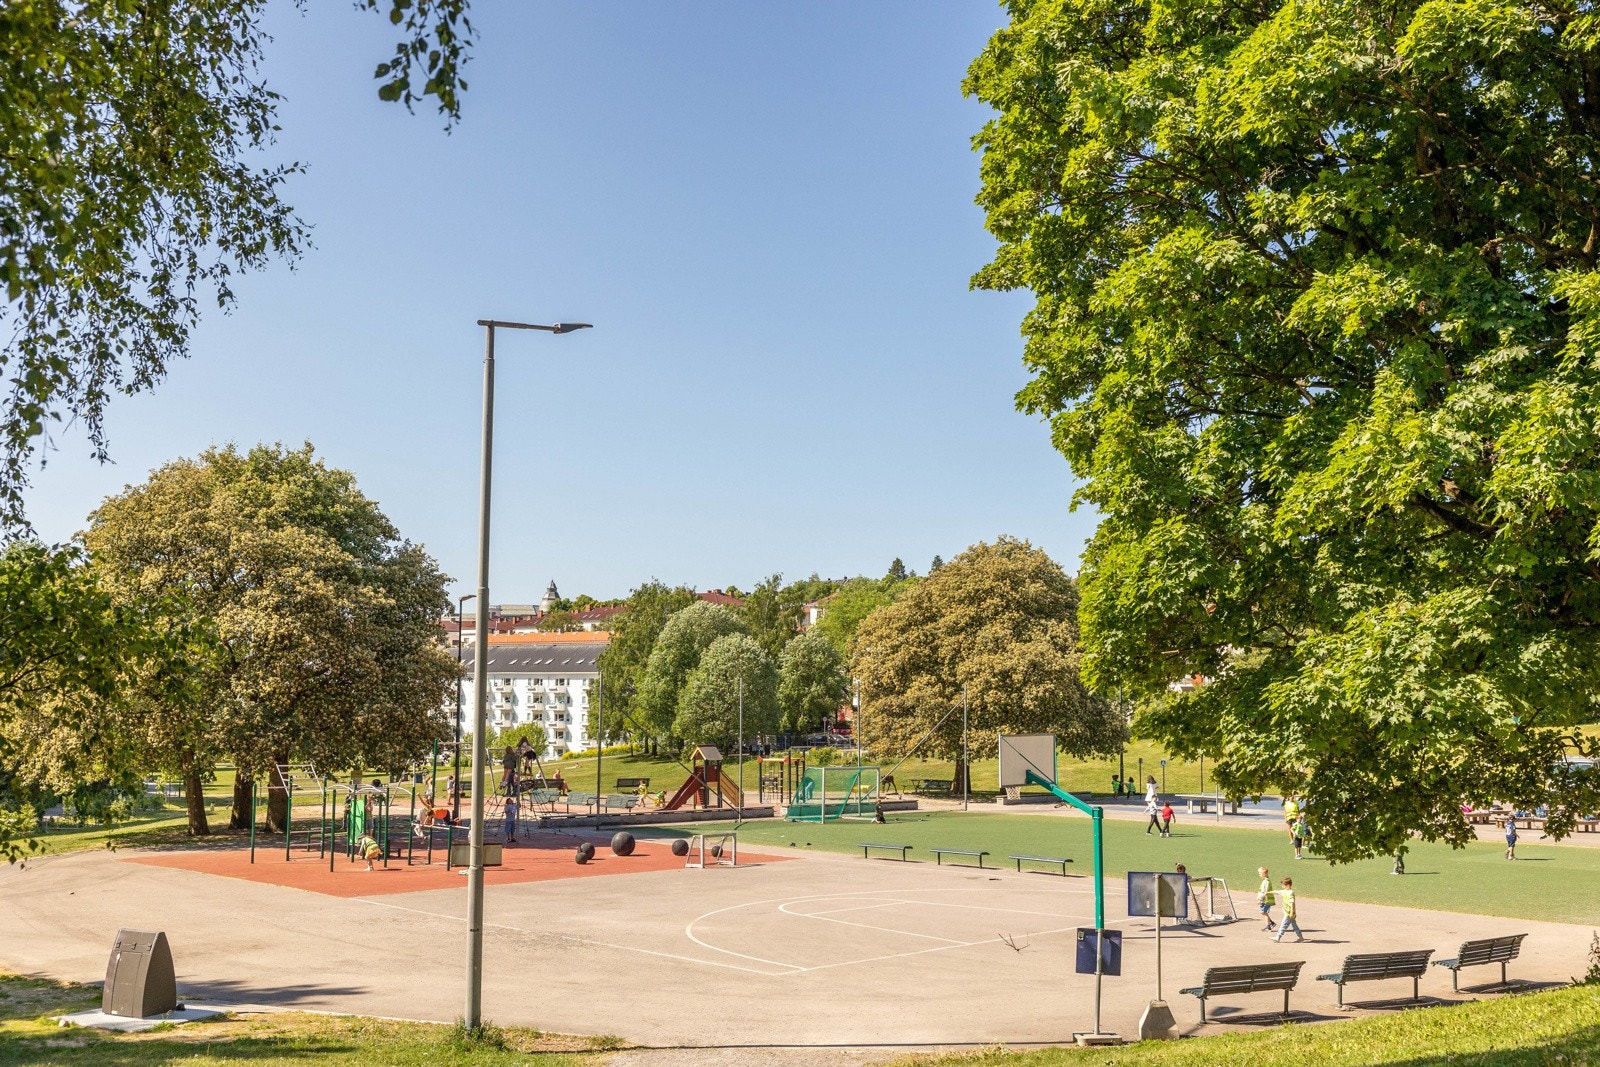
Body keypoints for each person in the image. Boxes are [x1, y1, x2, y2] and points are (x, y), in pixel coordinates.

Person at [1272, 877, 1304, 942]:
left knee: (1283, 925)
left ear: (1288, 885)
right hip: (1288, 913)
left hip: (1289, 913)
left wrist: (1291, 912)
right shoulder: (1285, 891)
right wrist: (1267, 892)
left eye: (1283, 885)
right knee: (1294, 926)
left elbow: (1292, 903)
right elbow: (1276, 892)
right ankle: (1300, 937)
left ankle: (1277, 937)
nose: (1282, 886)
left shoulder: (1290, 893)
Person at [1256, 866, 1276, 931]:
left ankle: (1269, 926)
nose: (1259, 875)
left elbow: (1265, 892)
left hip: (1266, 900)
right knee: (1263, 912)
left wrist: (1260, 899)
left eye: (1260, 873)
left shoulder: (1266, 881)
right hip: (1265, 900)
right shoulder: (1265, 881)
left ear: (1264, 874)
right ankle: (1271, 923)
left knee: (1263, 912)